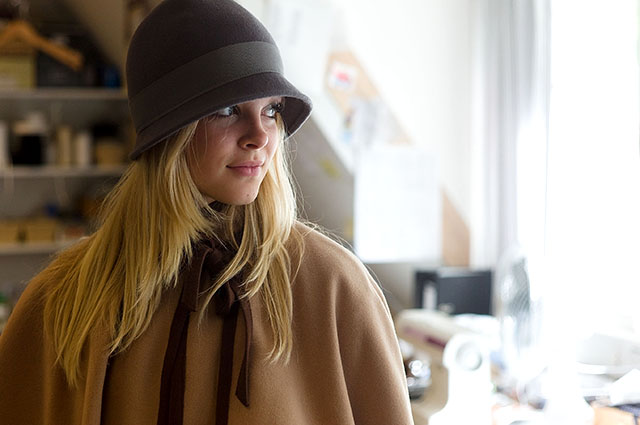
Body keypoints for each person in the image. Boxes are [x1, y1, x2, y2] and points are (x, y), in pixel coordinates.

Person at [0, 0, 414, 424]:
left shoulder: (331, 287)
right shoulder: (63, 300)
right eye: (228, 110)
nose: (260, 136)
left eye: (271, 109)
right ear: (168, 134)